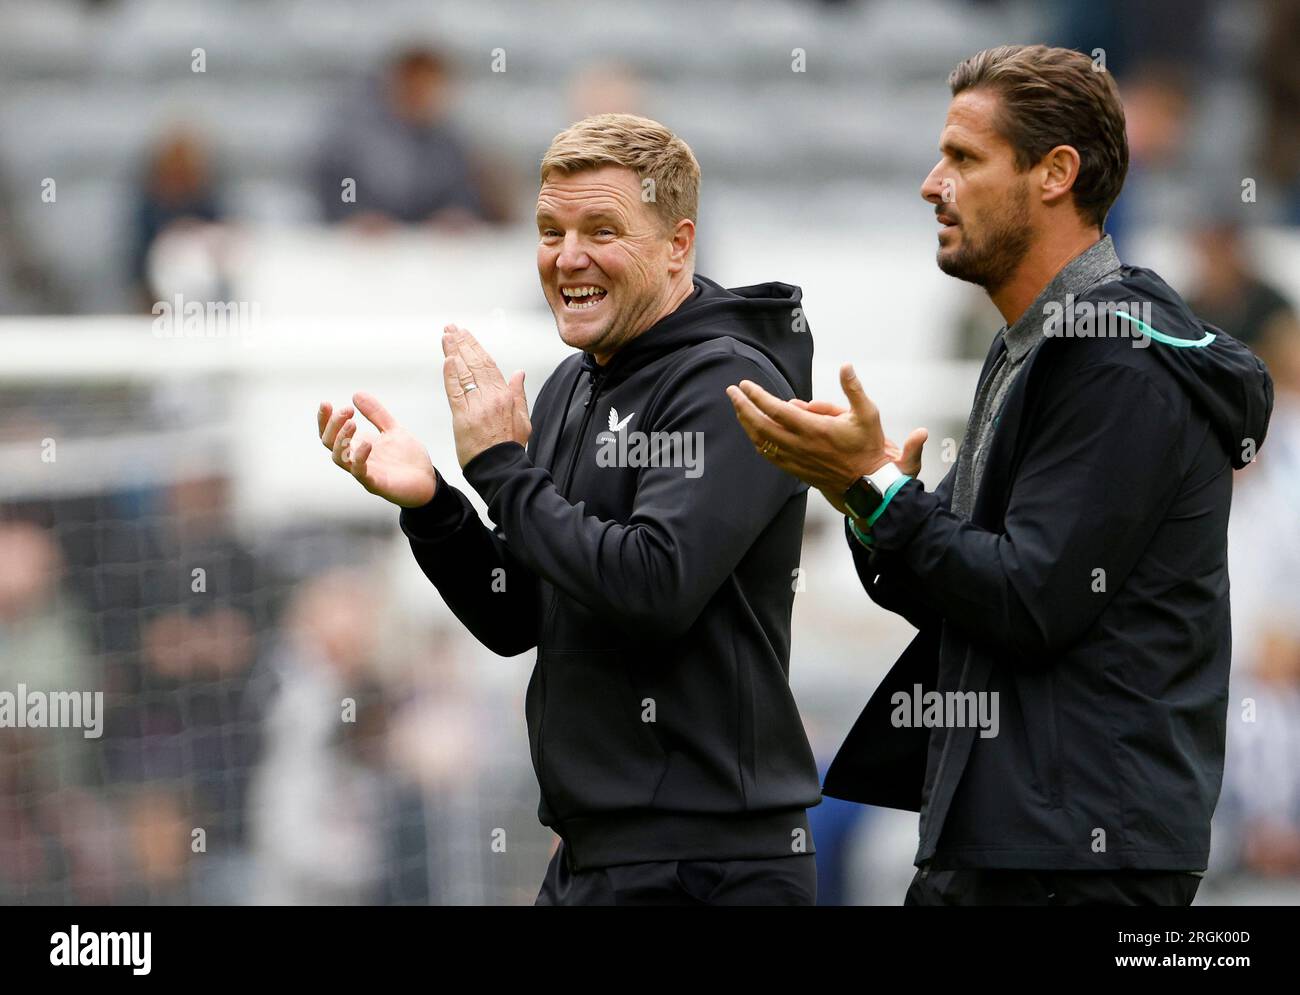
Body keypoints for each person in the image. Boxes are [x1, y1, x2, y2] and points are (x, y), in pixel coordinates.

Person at [727, 45, 1275, 906]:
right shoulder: (1032, 345)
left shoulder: (1117, 361)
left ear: (1055, 173)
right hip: (1013, 839)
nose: (930, 183)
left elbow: (1028, 598)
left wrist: (878, 487)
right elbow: (963, 583)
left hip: (1079, 861)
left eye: (963, 158)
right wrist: (860, 494)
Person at [317, 113, 820, 906]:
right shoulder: (571, 385)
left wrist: (500, 468)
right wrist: (435, 505)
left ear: (677, 245)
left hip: (708, 867)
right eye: (550, 229)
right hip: (597, 858)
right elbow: (519, 614)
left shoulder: (730, 387)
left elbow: (654, 583)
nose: (568, 256)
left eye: (602, 229)